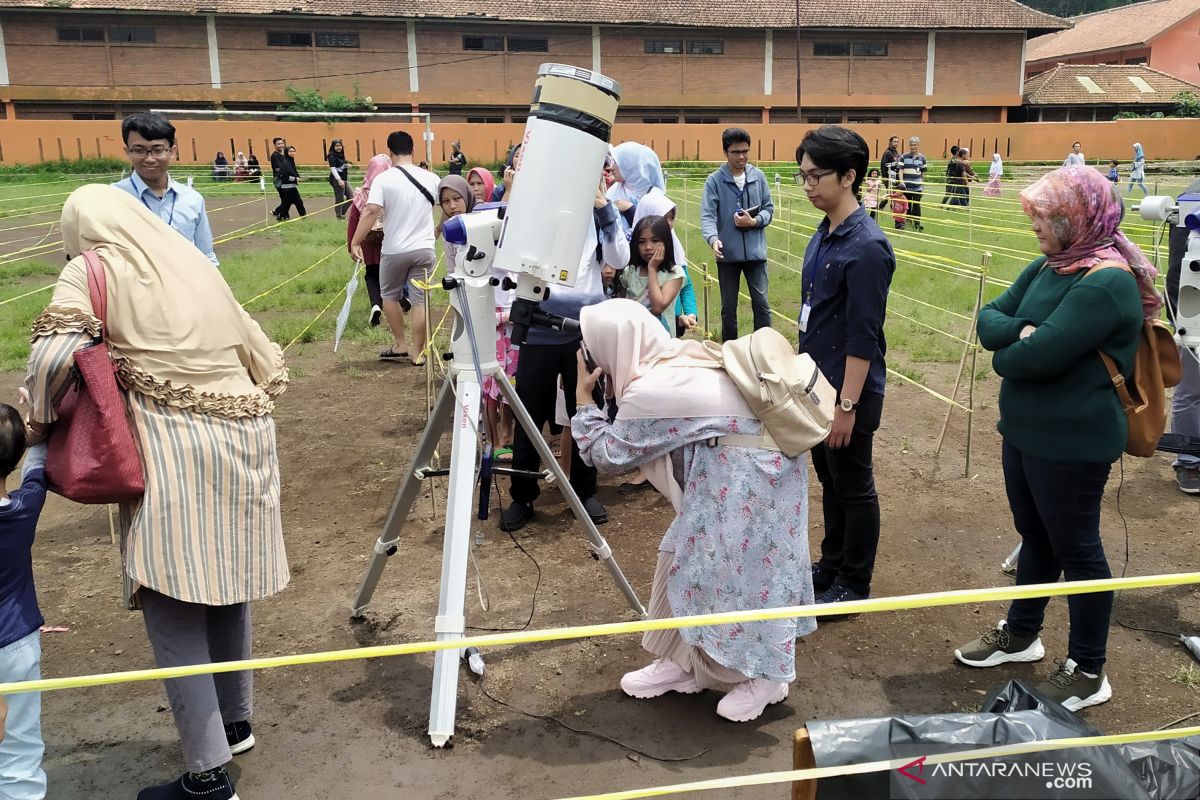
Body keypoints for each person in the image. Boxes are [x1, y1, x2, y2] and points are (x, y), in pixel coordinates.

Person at [26, 185, 290, 800]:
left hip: (175, 441)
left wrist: (37, 417)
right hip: (247, 435)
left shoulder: (93, 265)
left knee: (169, 595)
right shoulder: (189, 260)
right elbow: (265, 357)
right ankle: (234, 721)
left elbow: (53, 353)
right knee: (224, 584)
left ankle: (206, 775)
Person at [953, 165, 1161, 711]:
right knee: (1035, 535)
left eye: (1049, 217)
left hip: (1072, 441)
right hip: (1024, 431)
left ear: (1079, 218)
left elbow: (1032, 358)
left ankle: (1089, 669)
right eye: (1037, 216)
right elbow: (988, 319)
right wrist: (1021, 335)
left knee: (1079, 550)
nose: (1037, 227)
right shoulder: (1051, 266)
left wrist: (1021, 341)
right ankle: (1022, 633)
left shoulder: (1107, 280)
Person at [572, 299, 816, 722]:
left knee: (755, 575)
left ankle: (767, 676)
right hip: (733, 471)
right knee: (678, 554)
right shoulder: (675, 356)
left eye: (594, 348)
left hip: (755, 475)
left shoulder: (654, 390)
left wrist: (582, 401)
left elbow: (609, 455)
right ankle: (682, 662)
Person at [796, 125, 896, 608]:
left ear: (849, 176)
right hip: (816, 385)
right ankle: (831, 562)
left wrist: (847, 406)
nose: (809, 186)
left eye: (817, 176)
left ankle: (854, 584)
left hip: (848, 392)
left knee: (854, 485)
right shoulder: (825, 233)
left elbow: (863, 336)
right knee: (830, 480)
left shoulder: (868, 247)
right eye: (803, 176)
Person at [499, 168, 629, 532]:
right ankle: (522, 494)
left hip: (582, 331)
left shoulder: (597, 212)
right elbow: (506, 258)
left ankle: (585, 491)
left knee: (586, 411)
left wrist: (603, 206)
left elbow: (619, 258)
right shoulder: (535, 210)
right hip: (539, 329)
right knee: (530, 415)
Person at [350, 131, 440, 365]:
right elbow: (450, 205)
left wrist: (355, 241)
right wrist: (438, 229)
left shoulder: (384, 179)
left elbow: (370, 211)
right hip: (425, 248)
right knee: (420, 300)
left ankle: (400, 344)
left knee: (389, 295)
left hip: (394, 249)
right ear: (413, 151)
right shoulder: (431, 178)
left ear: (390, 152)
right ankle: (418, 353)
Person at [0, 403, 48, 800]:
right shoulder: (25, 507)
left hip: (16, 641)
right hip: (15, 645)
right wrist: (38, 422)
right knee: (19, 749)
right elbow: (38, 463)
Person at [114, 112, 219, 268]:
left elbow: (206, 255)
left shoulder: (192, 199)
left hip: (184, 287)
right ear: (127, 152)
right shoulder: (113, 198)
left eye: (157, 150)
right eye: (139, 150)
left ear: (172, 151)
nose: (149, 159)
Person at [700, 127, 775, 342]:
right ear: (725, 152)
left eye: (745, 151)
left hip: (756, 255)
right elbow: (707, 216)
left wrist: (755, 221)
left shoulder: (758, 177)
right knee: (728, 309)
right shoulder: (714, 181)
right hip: (727, 256)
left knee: (762, 305)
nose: (741, 156)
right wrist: (713, 240)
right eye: (736, 152)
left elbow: (769, 208)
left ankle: (764, 349)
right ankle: (730, 351)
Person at [1167, 222, 1200, 493]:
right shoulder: (1192, 206)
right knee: (1190, 390)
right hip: (1195, 319)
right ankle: (1189, 460)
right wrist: (1183, 322)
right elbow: (1178, 274)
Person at [346, 153, 391, 328]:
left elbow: (353, 221)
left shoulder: (360, 194)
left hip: (367, 240)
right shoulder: (392, 191)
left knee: (371, 274)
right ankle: (399, 300)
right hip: (389, 241)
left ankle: (375, 305)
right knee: (389, 274)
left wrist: (352, 244)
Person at [621, 215, 684, 335]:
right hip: (633, 336)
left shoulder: (674, 273)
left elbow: (657, 307)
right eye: (641, 242)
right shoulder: (630, 272)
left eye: (655, 241)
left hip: (660, 338)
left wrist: (652, 268)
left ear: (666, 242)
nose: (648, 247)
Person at [607, 142, 665, 227]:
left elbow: (656, 232)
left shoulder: (655, 197)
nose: (611, 167)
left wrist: (630, 210)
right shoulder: (615, 190)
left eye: (616, 162)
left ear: (630, 165)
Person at [895, 136, 927, 231]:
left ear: (918, 145)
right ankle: (908, 222)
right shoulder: (903, 157)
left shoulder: (922, 158)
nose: (913, 146)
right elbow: (900, 170)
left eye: (915, 144)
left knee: (917, 206)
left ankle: (917, 223)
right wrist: (902, 182)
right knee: (907, 205)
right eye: (911, 144)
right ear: (909, 145)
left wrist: (922, 185)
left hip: (917, 187)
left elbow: (923, 173)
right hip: (906, 187)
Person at [274, 146, 306, 220]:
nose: (292, 153)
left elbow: (293, 172)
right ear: (286, 152)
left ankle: (303, 218)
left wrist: (297, 178)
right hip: (287, 188)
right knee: (289, 205)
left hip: (292, 188)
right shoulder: (285, 163)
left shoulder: (291, 162)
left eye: (293, 151)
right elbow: (282, 175)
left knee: (296, 204)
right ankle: (279, 215)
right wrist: (295, 179)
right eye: (290, 151)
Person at [327, 139, 351, 220]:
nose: (338, 147)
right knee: (340, 199)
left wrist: (346, 166)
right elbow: (333, 169)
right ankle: (339, 217)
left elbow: (340, 166)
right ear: (333, 147)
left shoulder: (341, 154)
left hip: (344, 179)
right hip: (337, 180)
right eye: (336, 146)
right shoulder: (331, 156)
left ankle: (342, 213)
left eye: (340, 145)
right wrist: (339, 180)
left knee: (352, 197)